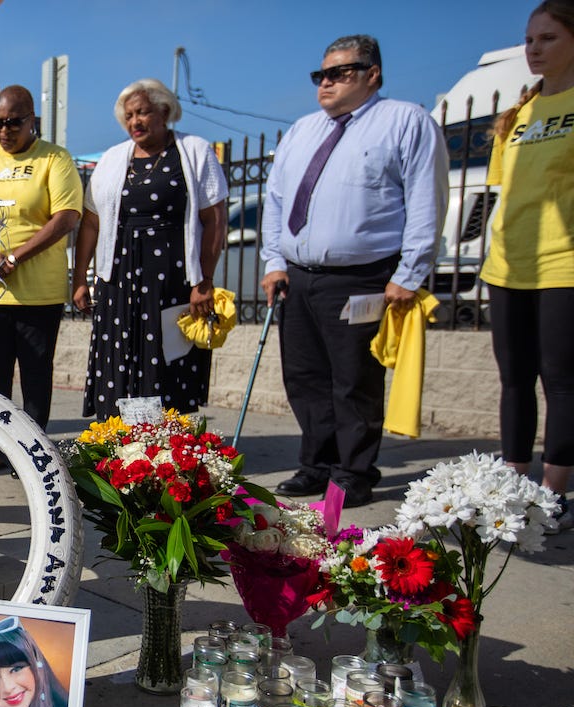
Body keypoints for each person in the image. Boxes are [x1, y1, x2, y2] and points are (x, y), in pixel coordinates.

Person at [260, 35, 448, 508]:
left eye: (339, 73)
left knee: (353, 380)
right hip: (299, 276)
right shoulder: (302, 130)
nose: (325, 83)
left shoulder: (404, 121)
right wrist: (274, 261)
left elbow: (427, 199)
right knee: (304, 377)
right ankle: (316, 464)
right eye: (320, 74)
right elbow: (277, 201)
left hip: (362, 276)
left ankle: (353, 472)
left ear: (372, 74)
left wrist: (410, 272)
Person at [72, 79, 227, 420]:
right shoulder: (113, 160)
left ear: (165, 111)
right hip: (119, 277)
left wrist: (204, 280)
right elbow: (93, 222)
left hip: (171, 276)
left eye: (142, 112)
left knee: (166, 357)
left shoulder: (195, 152)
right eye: (128, 116)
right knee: (121, 360)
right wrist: (81, 279)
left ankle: (162, 451)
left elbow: (214, 219)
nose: (135, 122)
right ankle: (121, 446)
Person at [480, 1, 574, 531]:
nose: (534, 49)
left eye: (549, 38)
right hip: (507, 266)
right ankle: (512, 484)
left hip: (564, 264)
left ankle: (554, 490)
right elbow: (505, 195)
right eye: (530, 39)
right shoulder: (517, 115)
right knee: (514, 378)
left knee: (561, 381)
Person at [0, 85, 83, 428]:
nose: (4, 131)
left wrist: (15, 257)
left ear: (32, 120)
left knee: (35, 377)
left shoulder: (54, 158)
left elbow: (66, 217)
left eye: (13, 122)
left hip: (39, 292)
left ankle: (31, 455)